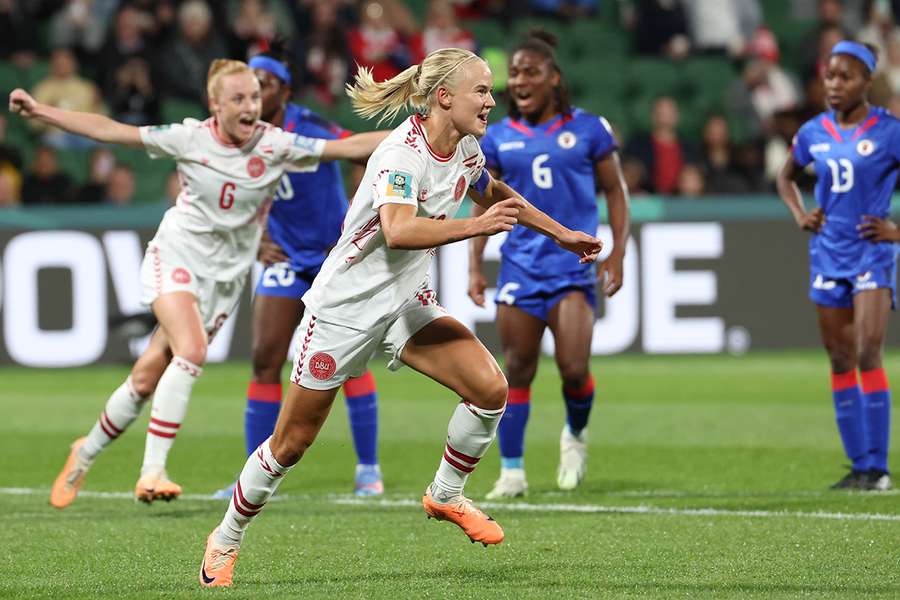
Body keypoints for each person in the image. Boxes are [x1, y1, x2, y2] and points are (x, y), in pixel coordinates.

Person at [197, 47, 602, 588]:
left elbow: (493, 193)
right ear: (443, 97)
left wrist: (561, 232)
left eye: (489, 89)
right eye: (480, 90)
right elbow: (399, 230)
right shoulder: (401, 155)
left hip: (405, 304)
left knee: (489, 389)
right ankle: (225, 539)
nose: (491, 98)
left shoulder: (464, 146)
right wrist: (476, 228)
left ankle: (445, 494)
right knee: (290, 443)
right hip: (345, 310)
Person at [9, 58, 387, 509]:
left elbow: (349, 148)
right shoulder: (189, 137)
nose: (250, 106)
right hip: (177, 256)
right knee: (191, 351)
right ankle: (153, 471)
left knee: (149, 373)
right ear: (215, 105)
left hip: (224, 278)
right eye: (239, 99)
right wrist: (41, 112)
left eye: (253, 97)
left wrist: (424, 133)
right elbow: (111, 130)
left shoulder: (275, 144)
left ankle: (84, 452)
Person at [214, 43, 384, 500]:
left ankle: (369, 468)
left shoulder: (305, 127)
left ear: (284, 92)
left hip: (333, 257)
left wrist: (359, 215)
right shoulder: (236, 137)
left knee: (346, 363)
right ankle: (251, 476)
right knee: (265, 360)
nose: (252, 94)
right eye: (247, 87)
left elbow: (361, 154)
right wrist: (254, 236)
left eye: (262, 86)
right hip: (286, 259)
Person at [467, 32, 630, 499]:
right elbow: (484, 201)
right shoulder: (496, 137)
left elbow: (615, 191)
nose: (519, 80)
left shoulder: (589, 129)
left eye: (530, 72)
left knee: (574, 369)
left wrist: (617, 251)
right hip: (519, 268)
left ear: (554, 79)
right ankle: (513, 472)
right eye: (515, 72)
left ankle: (575, 438)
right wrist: (475, 266)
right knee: (516, 368)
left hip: (573, 269)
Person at [776, 40, 896, 492]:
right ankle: (859, 465)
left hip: (871, 252)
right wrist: (800, 214)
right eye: (829, 75)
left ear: (867, 81)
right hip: (828, 252)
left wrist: (897, 231)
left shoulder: (889, 131)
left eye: (845, 76)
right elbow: (785, 176)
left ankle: (879, 468)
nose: (834, 84)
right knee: (841, 356)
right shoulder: (814, 131)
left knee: (867, 351)